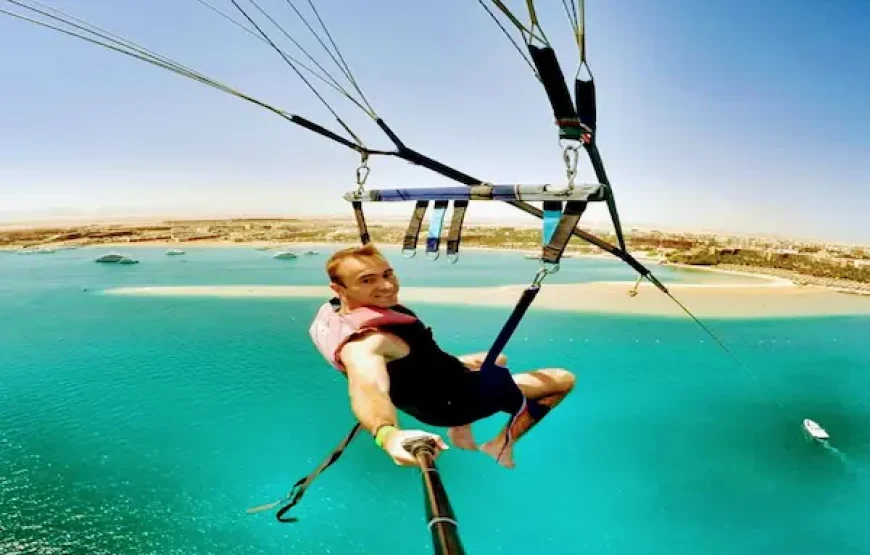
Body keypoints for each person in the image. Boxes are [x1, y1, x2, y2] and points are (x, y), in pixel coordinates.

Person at [309, 243, 575, 469]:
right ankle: (500, 445)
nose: (387, 285)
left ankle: (462, 429)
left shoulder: (338, 313)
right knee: (562, 379)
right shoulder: (368, 342)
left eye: (387, 274)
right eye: (367, 280)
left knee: (496, 358)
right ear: (339, 289)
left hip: (433, 387)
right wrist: (388, 435)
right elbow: (368, 387)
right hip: (452, 404)